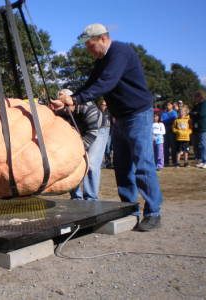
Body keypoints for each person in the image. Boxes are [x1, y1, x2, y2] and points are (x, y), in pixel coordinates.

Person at [50, 23, 163, 231]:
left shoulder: (120, 52)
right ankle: (130, 209)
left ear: (103, 38)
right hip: (118, 117)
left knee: (143, 163)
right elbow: (89, 84)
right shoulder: (101, 61)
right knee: (122, 166)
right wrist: (68, 100)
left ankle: (153, 212)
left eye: (90, 45)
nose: (88, 50)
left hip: (138, 114)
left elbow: (106, 84)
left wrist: (75, 99)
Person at [56, 89, 108, 201]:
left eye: (66, 106)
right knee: (71, 163)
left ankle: (91, 198)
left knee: (92, 164)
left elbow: (92, 133)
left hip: (99, 130)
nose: (64, 109)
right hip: (80, 131)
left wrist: (78, 149)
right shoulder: (61, 111)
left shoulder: (89, 108)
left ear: (72, 102)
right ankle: (76, 197)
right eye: (62, 106)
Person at [190, 90, 206, 169]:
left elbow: (201, 114)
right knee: (200, 144)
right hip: (198, 126)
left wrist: (195, 113)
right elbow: (191, 113)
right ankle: (202, 161)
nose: (195, 99)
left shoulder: (205, 104)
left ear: (200, 97)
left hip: (204, 126)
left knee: (204, 144)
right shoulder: (199, 104)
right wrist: (195, 113)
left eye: (196, 97)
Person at [161, 102, 178, 166]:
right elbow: (163, 121)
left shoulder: (174, 112)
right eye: (166, 105)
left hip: (172, 131)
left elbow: (175, 120)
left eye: (169, 105)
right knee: (166, 147)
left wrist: (168, 121)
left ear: (172, 105)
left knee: (173, 146)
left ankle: (174, 161)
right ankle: (166, 162)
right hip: (165, 131)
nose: (167, 106)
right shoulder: (163, 113)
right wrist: (169, 121)